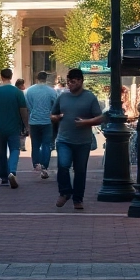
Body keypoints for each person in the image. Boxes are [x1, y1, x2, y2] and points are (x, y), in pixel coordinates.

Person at [51, 68, 104, 210]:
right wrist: (56, 117)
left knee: (80, 171)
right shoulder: (62, 97)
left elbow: (100, 117)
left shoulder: (89, 97)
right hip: (64, 139)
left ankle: (78, 199)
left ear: (81, 81)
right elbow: (52, 115)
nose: (70, 84)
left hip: (83, 141)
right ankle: (65, 192)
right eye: (68, 82)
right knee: (63, 166)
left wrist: (86, 122)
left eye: (73, 82)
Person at [0, 68, 29, 189]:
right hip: (14, 126)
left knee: (1, 151)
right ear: (11, 76)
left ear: (1, 76)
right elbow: (23, 111)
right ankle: (12, 171)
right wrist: (26, 125)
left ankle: (4, 178)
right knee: (15, 149)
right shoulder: (17, 92)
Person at [25, 71, 58, 180]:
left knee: (35, 144)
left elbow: (27, 105)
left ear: (37, 78)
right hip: (47, 121)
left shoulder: (29, 91)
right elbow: (55, 105)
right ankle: (45, 166)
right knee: (46, 144)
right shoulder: (51, 91)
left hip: (34, 121)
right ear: (46, 78)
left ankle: (36, 163)